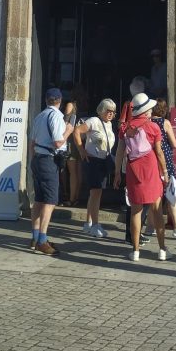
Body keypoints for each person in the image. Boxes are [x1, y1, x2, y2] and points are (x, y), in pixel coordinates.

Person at [115, 92, 170, 262]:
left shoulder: (125, 128)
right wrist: (165, 172)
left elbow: (119, 152)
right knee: (157, 211)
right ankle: (162, 250)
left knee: (135, 212)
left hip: (133, 171)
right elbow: (159, 153)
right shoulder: (153, 127)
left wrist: (117, 172)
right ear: (146, 111)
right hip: (151, 170)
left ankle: (136, 251)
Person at [28, 87, 74, 256]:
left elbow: (32, 143)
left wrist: (33, 161)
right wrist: (68, 131)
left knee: (39, 200)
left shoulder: (39, 116)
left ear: (46, 100)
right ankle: (42, 240)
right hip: (48, 161)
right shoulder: (56, 116)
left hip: (38, 160)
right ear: (60, 101)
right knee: (50, 201)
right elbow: (57, 143)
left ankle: (34, 237)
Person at [147, 98, 176, 240]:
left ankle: (150, 227)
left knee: (153, 195)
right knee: (172, 194)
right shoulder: (164, 123)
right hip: (165, 162)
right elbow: (174, 143)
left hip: (151, 161)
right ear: (164, 109)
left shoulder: (147, 123)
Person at [73, 98, 117, 238]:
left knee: (95, 193)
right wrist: (81, 150)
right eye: (108, 111)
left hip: (103, 161)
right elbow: (77, 131)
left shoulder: (109, 124)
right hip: (93, 161)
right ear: (102, 110)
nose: (111, 114)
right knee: (96, 192)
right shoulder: (94, 121)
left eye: (113, 111)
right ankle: (95, 225)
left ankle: (88, 223)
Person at [119, 76, 151, 245]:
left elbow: (121, 126)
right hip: (137, 162)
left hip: (130, 161)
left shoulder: (128, 107)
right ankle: (132, 234)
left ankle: (132, 233)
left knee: (134, 200)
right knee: (137, 200)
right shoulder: (134, 109)